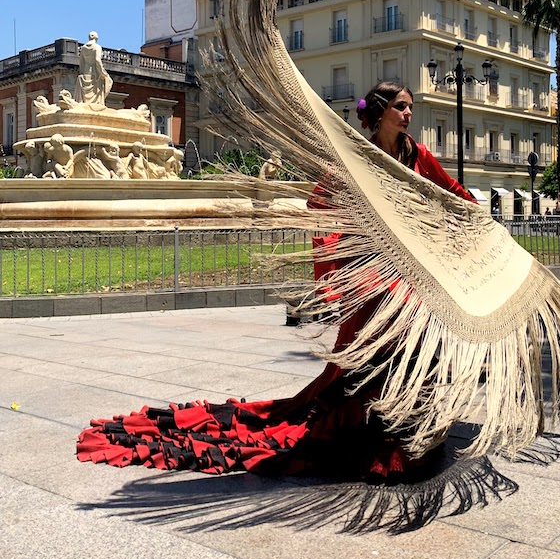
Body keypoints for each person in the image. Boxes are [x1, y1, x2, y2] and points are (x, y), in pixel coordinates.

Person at [76, 82, 475, 482]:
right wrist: (345, 256)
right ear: (382, 111)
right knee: (374, 353)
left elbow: (452, 192)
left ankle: (409, 429)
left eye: (410, 108)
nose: (409, 114)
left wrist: (475, 222)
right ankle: (376, 436)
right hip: (374, 273)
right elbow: (320, 201)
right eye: (402, 107)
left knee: (415, 345)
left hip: (409, 269)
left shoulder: (415, 153)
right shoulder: (360, 159)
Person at [74, 32, 113, 107]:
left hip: (85, 73)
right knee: (109, 82)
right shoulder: (97, 47)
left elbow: (81, 62)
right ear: (96, 38)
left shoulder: (83, 48)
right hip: (95, 74)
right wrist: (102, 71)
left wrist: (82, 73)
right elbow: (97, 60)